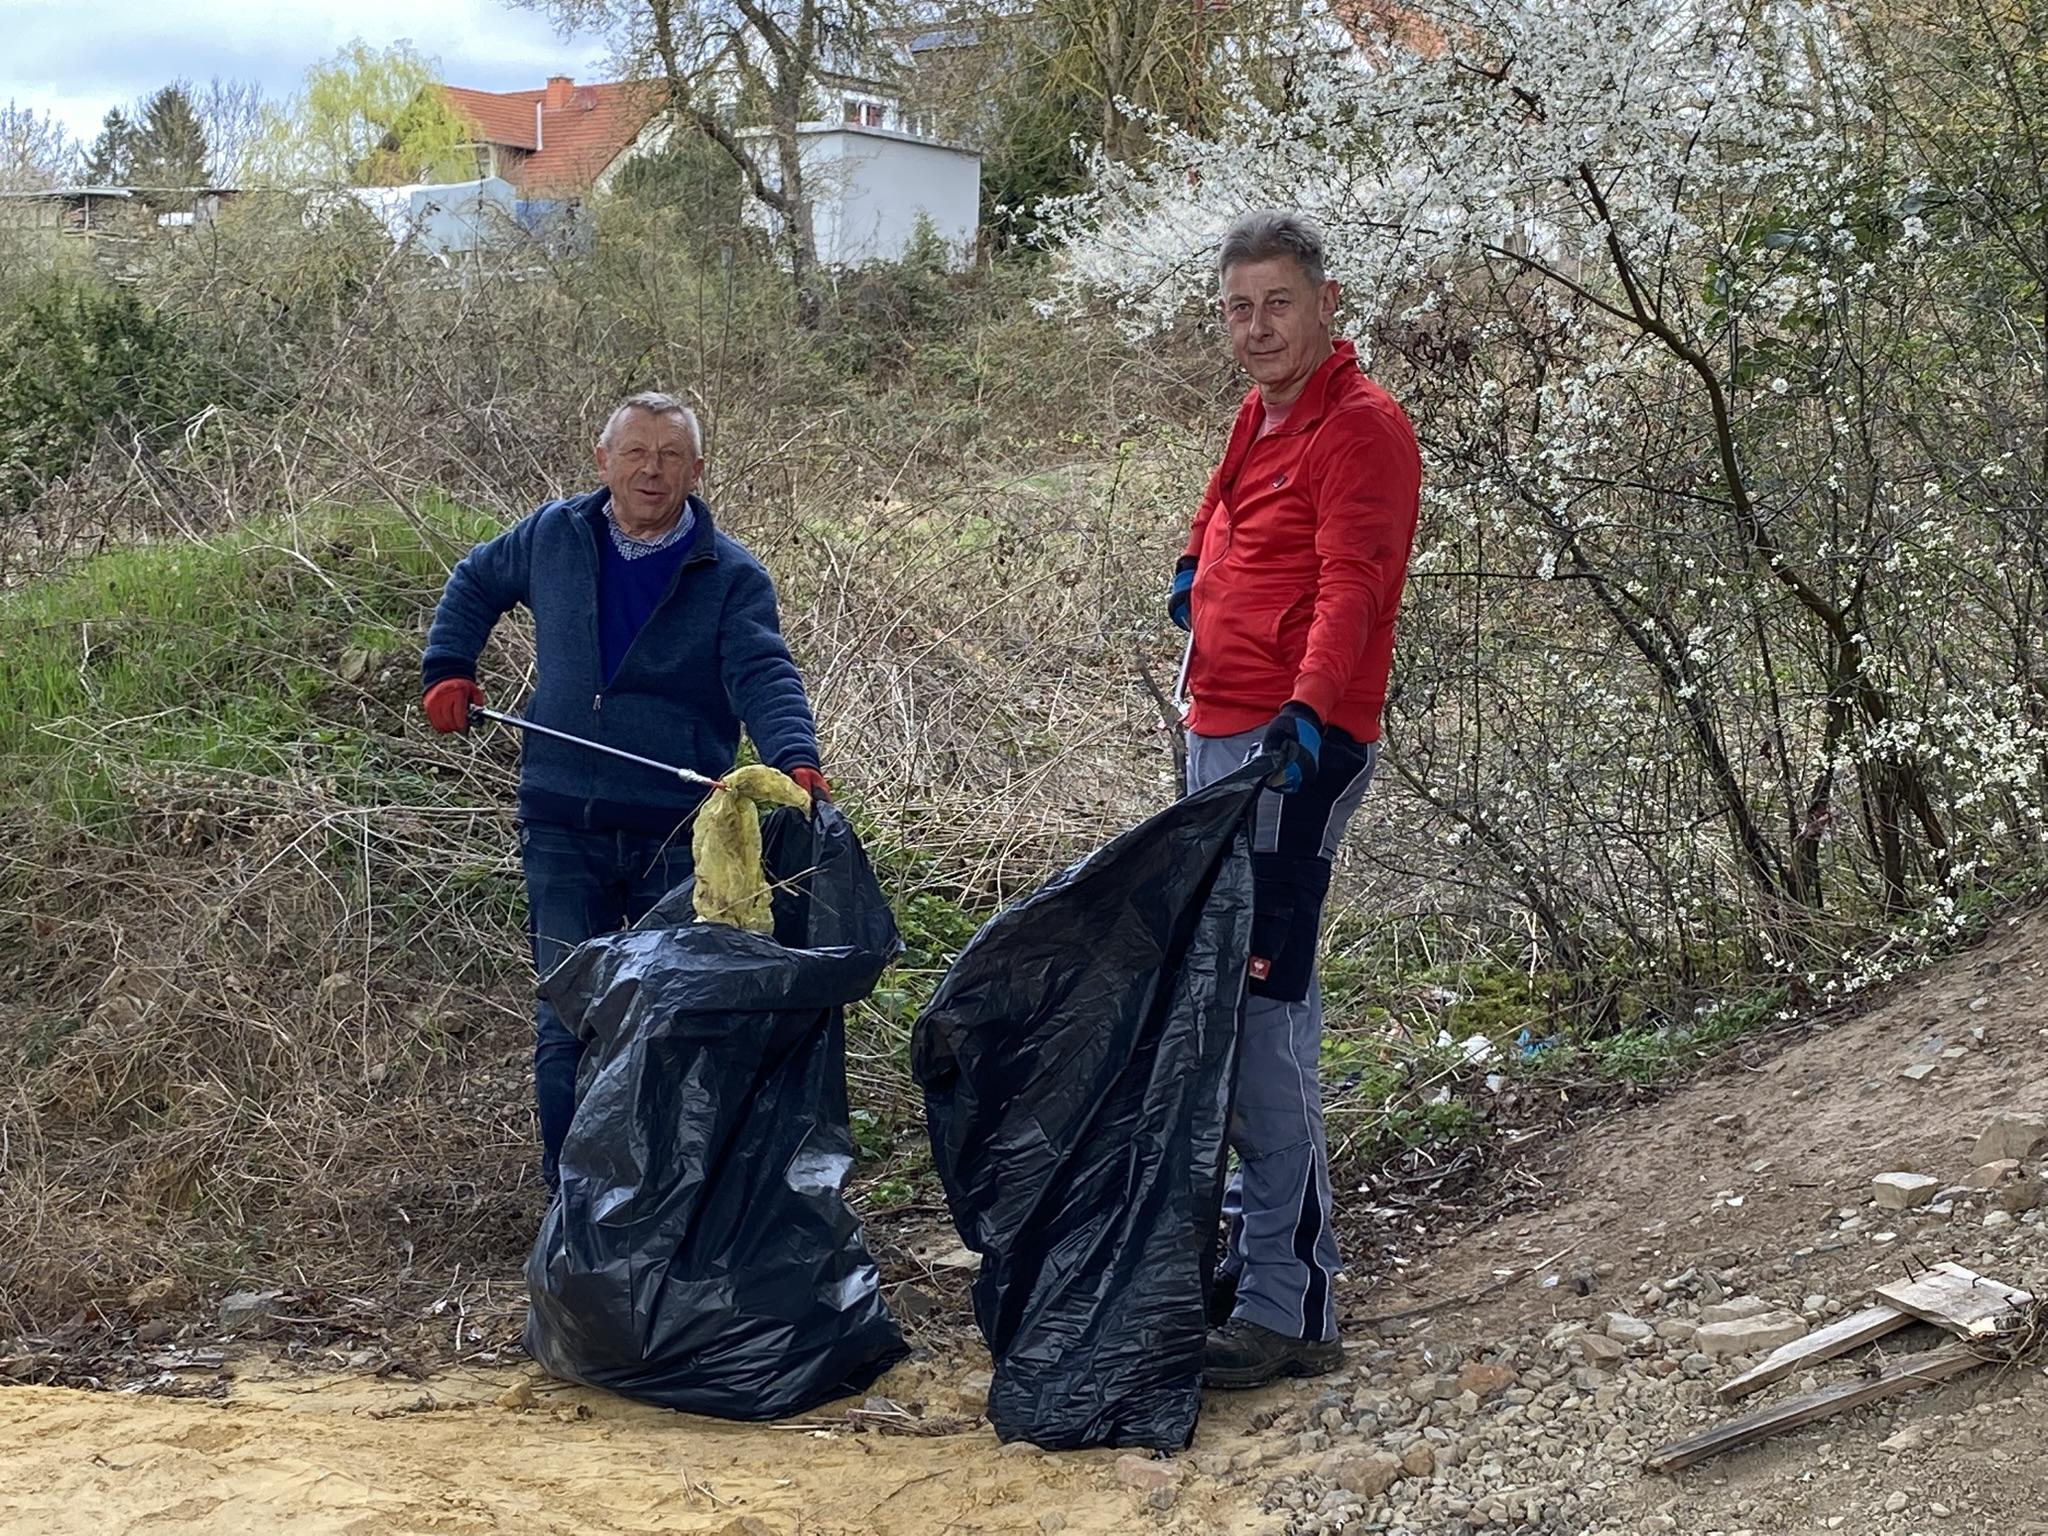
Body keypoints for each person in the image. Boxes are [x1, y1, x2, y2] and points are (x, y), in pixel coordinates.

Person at [420, 391, 830, 1190]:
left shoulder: (731, 575)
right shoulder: (551, 535)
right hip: (560, 822)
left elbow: (763, 671)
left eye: (670, 455)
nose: (651, 470)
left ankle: (658, 1204)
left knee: (667, 1017)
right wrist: (448, 667)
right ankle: (572, 1210)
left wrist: (794, 756)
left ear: (697, 471)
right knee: (567, 1017)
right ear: (603, 460)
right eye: (636, 452)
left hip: (674, 835)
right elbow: (474, 581)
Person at [1171, 211, 1421, 1388]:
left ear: (1325, 304)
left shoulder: (1359, 427)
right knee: (1228, 1006)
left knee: (1263, 1016)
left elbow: (1351, 585)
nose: (1257, 326)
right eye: (1238, 307)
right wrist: (1191, 570)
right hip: (1217, 739)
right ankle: (1251, 1254)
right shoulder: (1260, 411)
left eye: (1277, 303)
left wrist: (1307, 714)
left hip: (1289, 753)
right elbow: (1220, 509)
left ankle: (1290, 1303)